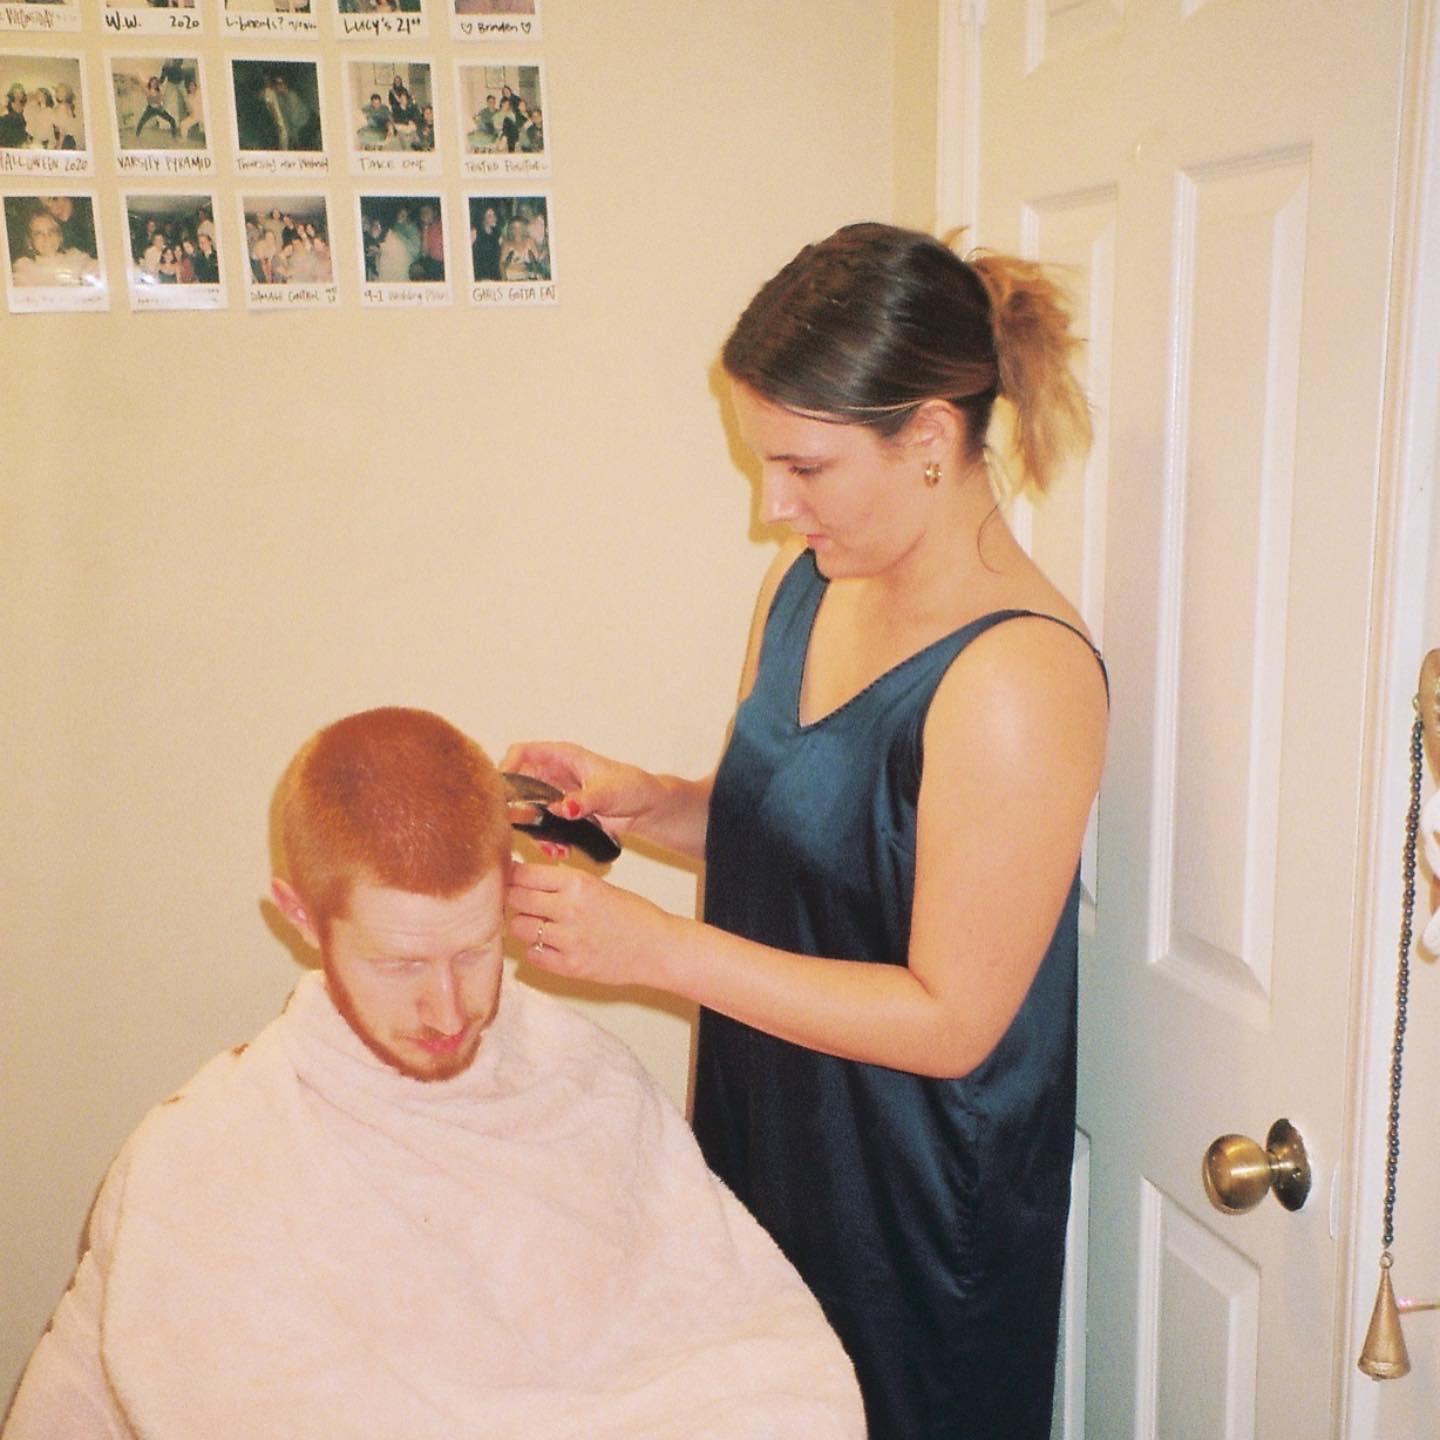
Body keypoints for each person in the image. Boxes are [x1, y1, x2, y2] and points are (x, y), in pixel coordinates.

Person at [504, 221, 1108, 1440]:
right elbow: (810, 835)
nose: (774, 509)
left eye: (804, 468)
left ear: (930, 437)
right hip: (775, 1140)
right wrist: (647, 804)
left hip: (915, 1214)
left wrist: (658, 952)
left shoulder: (1016, 677)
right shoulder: (810, 586)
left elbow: (952, 1022)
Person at [1, 707, 864, 1440]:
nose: (448, 1013)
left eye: (476, 951)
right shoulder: (208, 1159)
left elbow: (756, 1362)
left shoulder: (584, 1087)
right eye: (400, 966)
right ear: (301, 916)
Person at [10, 207, 99, 286]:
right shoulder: (24, 268)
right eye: (38, 233)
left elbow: (96, 272)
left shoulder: (76, 257)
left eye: (51, 231)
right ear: (29, 242)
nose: (47, 237)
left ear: (60, 237)